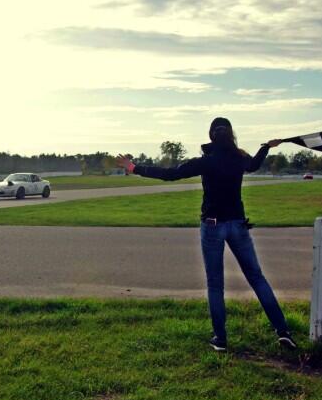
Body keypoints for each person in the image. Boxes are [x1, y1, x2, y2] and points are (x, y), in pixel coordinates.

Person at [116, 117, 296, 352]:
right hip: (238, 225)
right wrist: (265, 148)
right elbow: (253, 165)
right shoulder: (239, 158)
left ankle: (220, 339)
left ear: (212, 136)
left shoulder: (206, 162)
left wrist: (133, 167)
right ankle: (282, 331)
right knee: (257, 278)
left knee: (215, 284)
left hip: (212, 226)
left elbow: (169, 174)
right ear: (231, 135)